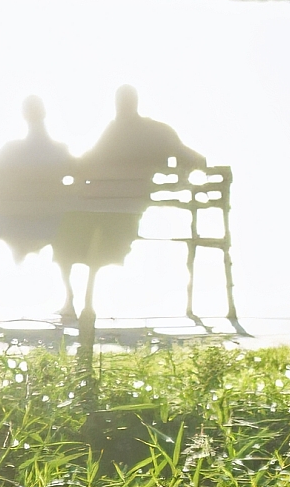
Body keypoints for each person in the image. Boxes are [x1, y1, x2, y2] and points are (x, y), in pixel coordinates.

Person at [61, 87, 209, 318]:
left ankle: (70, 300)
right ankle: (82, 302)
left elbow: (83, 163)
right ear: (136, 103)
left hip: (91, 209)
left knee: (70, 233)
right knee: (96, 242)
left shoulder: (112, 132)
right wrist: (181, 179)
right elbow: (197, 160)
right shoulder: (158, 132)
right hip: (128, 211)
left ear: (117, 104)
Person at [0, 97, 75, 321]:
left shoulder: (10, 150)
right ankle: (69, 299)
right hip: (50, 226)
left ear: (24, 116)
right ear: (45, 114)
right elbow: (78, 175)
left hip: (9, 225)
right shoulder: (59, 151)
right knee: (66, 219)